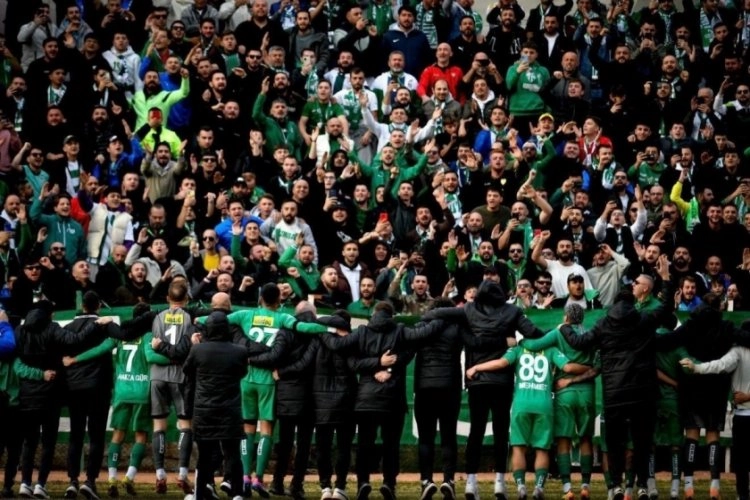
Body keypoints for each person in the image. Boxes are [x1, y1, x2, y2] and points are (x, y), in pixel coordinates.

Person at [556, 255, 673, 500]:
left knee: (615, 442)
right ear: (632, 302)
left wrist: (565, 326)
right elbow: (665, 308)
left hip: (615, 392)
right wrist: (665, 279)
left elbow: (579, 342)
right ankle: (642, 485)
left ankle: (616, 485)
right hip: (642, 392)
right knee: (642, 441)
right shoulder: (643, 320)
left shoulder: (603, 323)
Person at [423, 280, 544, 500]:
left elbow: (435, 313)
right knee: (501, 431)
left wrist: (424, 319)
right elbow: (534, 333)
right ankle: (499, 482)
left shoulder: (469, 309)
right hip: (502, 379)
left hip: (477, 378)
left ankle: (471, 482)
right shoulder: (512, 311)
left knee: (476, 431)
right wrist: (508, 341)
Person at [518, 304, 598, 500]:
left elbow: (535, 345)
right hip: (587, 391)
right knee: (586, 439)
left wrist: (519, 340)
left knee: (564, 440)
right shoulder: (590, 334)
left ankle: (567, 488)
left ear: (565, 317)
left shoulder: (559, 332)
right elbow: (596, 364)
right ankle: (586, 486)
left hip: (564, 391)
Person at [182, 311, 248, 500]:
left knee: (204, 455)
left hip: (205, 410)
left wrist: (195, 346)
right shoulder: (240, 351)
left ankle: (200, 493)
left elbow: (187, 370)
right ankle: (237, 494)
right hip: (230, 410)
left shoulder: (198, 350)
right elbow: (242, 373)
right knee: (233, 453)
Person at [680, 344, 750, 500]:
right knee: (713, 437)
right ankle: (715, 487)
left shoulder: (736, 350)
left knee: (692, 436)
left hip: (696, 390)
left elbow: (721, 365)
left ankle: (689, 487)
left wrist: (696, 368)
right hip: (718, 396)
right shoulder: (729, 343)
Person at [146, 281, 196, 495]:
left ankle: (160, 474)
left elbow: (153, 346)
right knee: (185, 424)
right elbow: (185, 350)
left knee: (159, 425)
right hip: (180, 376)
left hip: (157, 376)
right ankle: (182, 473)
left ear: (167, 298)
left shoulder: (157, 317)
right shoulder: (189, 318)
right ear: (186, 299)